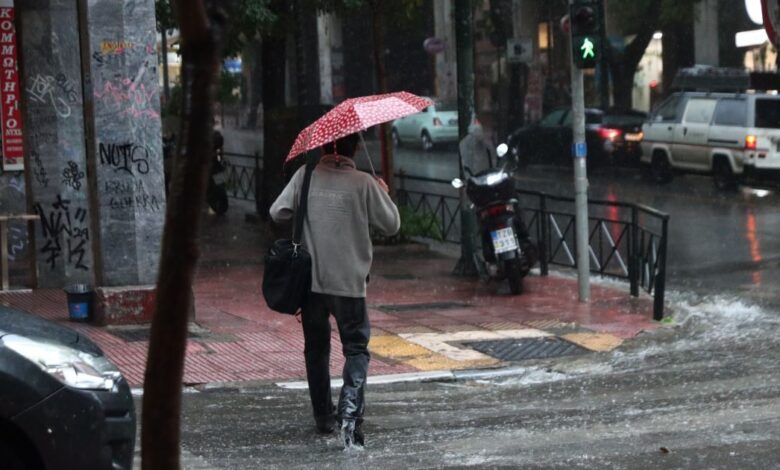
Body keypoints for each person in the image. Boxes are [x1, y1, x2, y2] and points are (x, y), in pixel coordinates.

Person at [269, 132, 400, 449]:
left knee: (316, 349)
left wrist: (307, 210)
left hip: (312, 283)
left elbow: (277, 212)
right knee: (356, 348)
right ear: (355, 147)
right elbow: (392, 224)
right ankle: (351, 411)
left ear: (325, 146)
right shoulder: (364, 183)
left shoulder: (306, 175)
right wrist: (382, 192)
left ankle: (323, 417)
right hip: (350, 284)